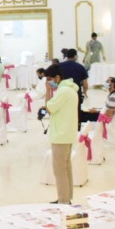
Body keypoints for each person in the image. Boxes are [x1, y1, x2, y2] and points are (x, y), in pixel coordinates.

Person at [44, 64, 78, 204]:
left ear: (57, 77)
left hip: (61, 135)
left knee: (59, 170)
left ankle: (63, 201)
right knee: (66, 167)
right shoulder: (70, 89)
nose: (49, 83)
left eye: (50, 79)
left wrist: (47, 91)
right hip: (67, 133)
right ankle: (66, 198)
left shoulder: (63, 91)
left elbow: (49, 108)